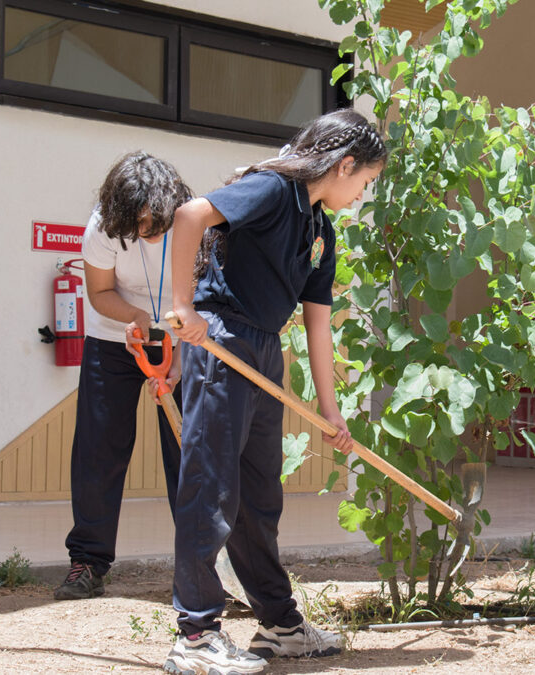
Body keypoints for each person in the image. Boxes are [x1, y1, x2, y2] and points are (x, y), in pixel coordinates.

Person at [163, 109, 386, 675]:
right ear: (345, 164)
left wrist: (331, 413)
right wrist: (183, 307)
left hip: (264, 349)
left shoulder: (320, 229)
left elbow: (317, 323)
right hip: (221, 339)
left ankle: (279, 624)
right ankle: (194, 635)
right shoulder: (273, 188)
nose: (363, 194)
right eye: (366, 182)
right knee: (210, 489)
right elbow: (189, 217)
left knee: (260, 496)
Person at [54, 152, 192, 600]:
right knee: (98, 447)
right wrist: (136, 319)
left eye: (155, 223)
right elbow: (98, 291)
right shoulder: (103, 225)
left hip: (180, 333)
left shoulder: (198, 223)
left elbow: (206, 298)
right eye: (139, 225)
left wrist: (179, 356)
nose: (148, 232)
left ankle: (200, 564)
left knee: (187, 447)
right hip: (114, 335)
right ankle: (88, 562)